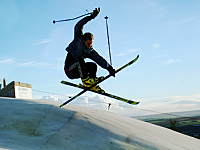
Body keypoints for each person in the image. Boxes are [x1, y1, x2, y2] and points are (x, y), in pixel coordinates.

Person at [64, 8, 115, 93]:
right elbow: (79, 25)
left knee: (92, 65)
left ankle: (92, 84)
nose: (89, 45)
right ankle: (86, 82)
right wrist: (91, 17)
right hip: (69, 70)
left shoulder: (90, 51)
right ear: (83, 41)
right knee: (80, 60)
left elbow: (99, 59)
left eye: (91, 44)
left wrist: (109, 68)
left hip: (78, 71)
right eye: (88, 43)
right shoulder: (78, 40)